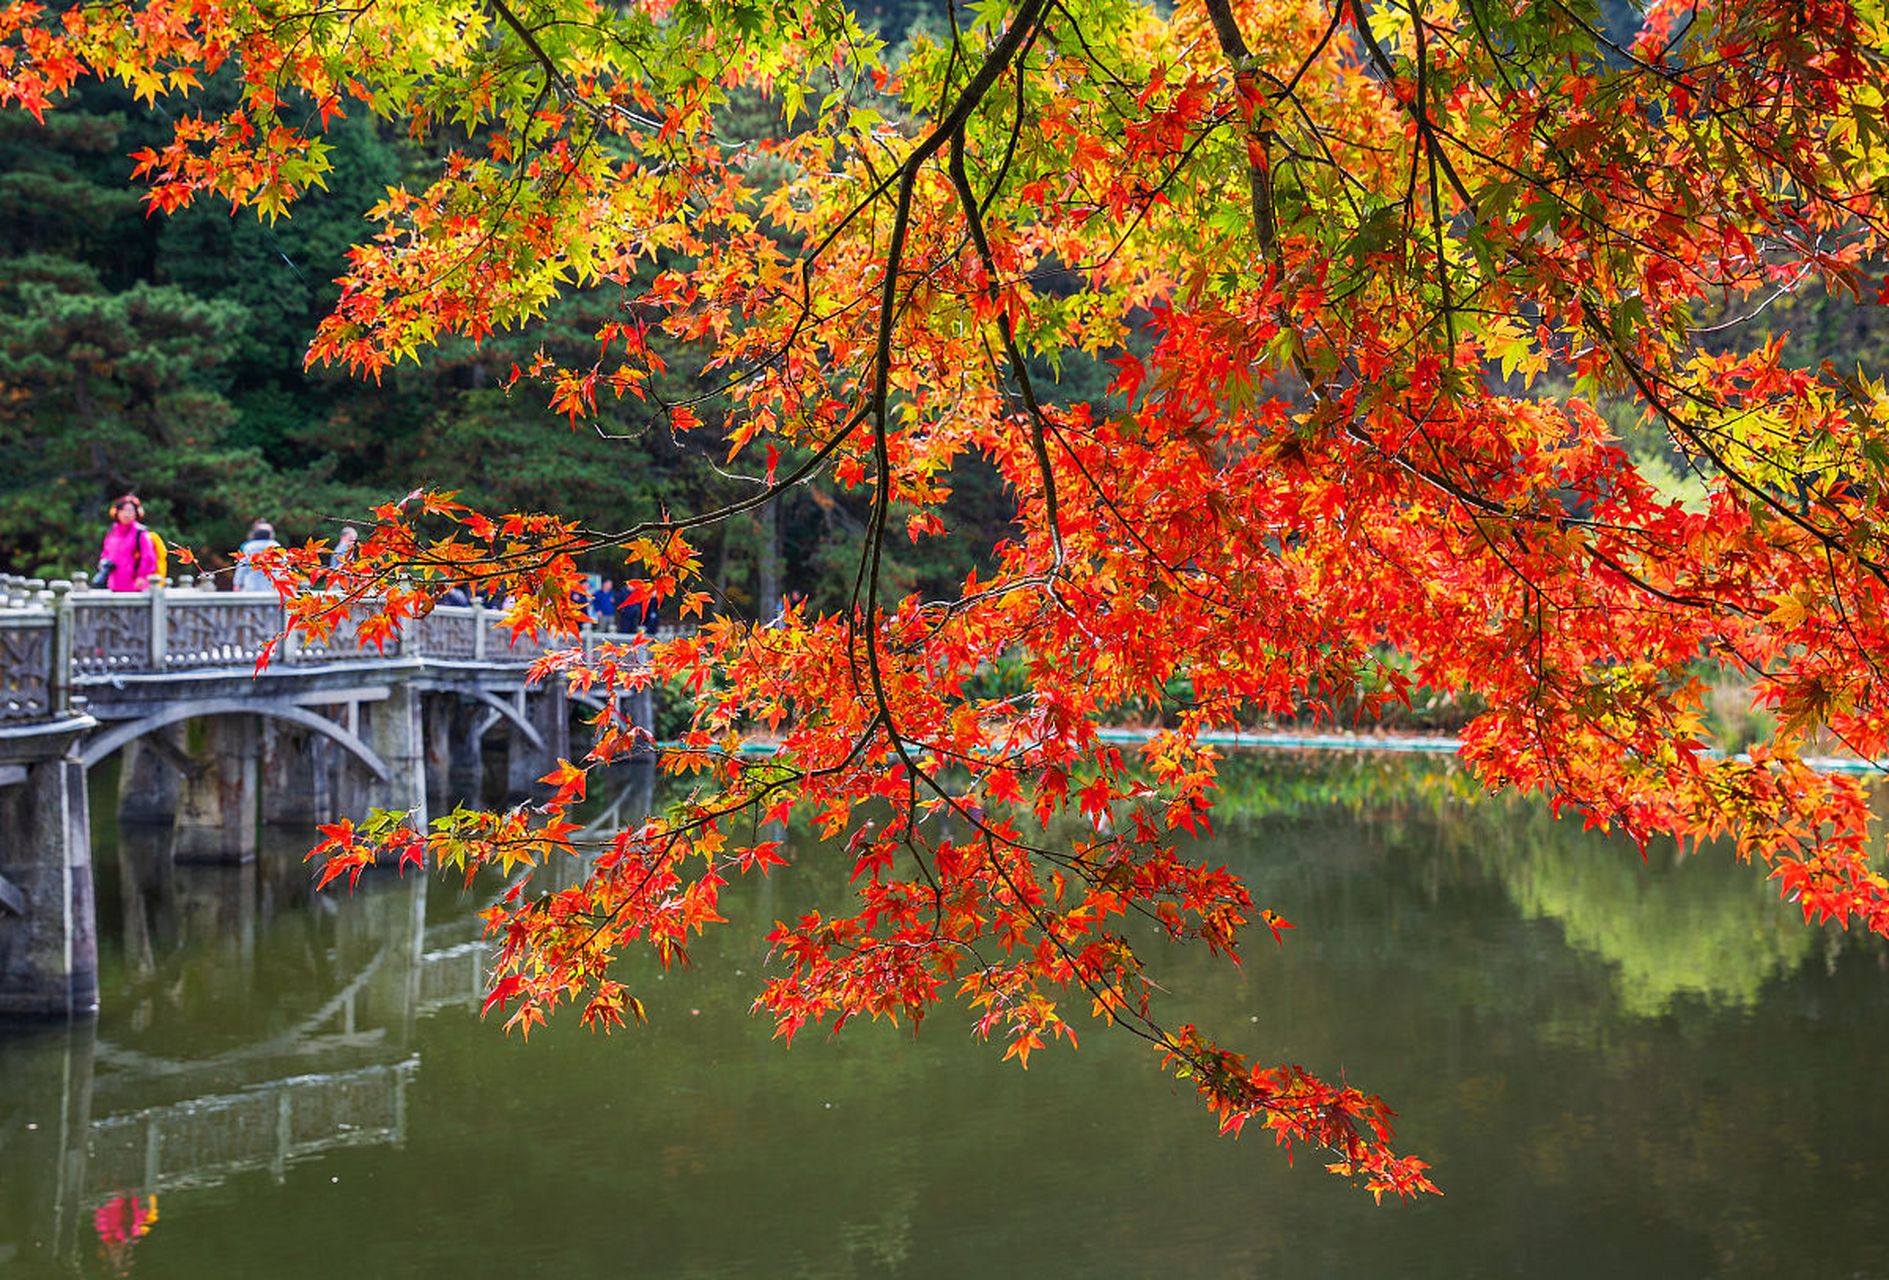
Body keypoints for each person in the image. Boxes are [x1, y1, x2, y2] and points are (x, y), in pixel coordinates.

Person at [95, 494, 158, 592]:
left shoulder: (140, 533)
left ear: (136, 513)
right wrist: (103, 563)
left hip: (135, 586)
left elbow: (148, 557)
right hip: (113, 585)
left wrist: (142, 576)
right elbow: (106, 553)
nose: (126, 514)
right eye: (123, 510)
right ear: (117, 512)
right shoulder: (113, 531)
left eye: (130, 511)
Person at [232, 519, 281, 592]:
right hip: (272, 586)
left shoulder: (249, 547)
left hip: (251, 585)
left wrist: (237, 583)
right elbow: (283, 565)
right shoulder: (275, 546)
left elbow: (242, 567)